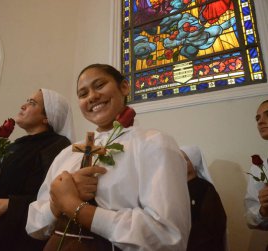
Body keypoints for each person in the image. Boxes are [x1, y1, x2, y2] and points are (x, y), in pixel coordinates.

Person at [26, 64, 190, 250]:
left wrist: (74, 206)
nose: (92, 97)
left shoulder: (154, 143)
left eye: (100, 85)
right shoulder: (68, 153)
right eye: (83, 94)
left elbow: (167, 236)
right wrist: (57, 204)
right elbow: (33, 226)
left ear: (124, 87)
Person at [0, 88, 74, 251]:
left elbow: (53, 198)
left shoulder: (57, 146)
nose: (23, 106)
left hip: (17, 238)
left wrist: (6, 205)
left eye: (32, 103)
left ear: (47, 117)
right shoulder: (16, 145)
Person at [181, 145, 227, 251]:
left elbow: (215, 224)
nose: (180, 162)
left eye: (185, 159)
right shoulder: (175, 189)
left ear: (194, 162)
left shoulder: (205, 188)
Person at [245, 100, 268, 230]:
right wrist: (263, 211)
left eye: (267, 115)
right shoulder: (258, 168)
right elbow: (249, 219)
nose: (260, 122)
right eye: (257, 118)